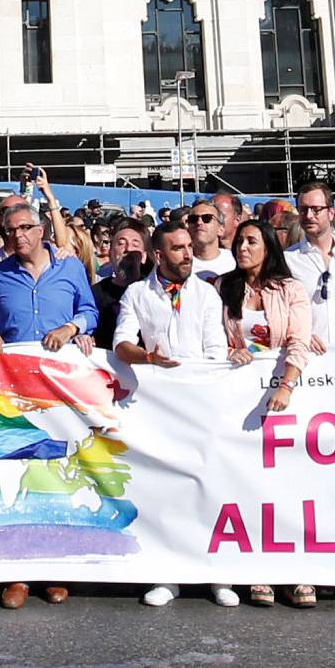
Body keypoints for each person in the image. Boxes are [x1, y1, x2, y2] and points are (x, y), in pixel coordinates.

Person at [0, 197, 97, 610]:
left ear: (42, 229)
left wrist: (71, 327)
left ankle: (54, 570)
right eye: (11, 231)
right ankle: (18, 574)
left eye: (26, 228)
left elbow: (90, 311)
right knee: (16, 477)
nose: (19, 236)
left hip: (60, 392)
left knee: (58, 475)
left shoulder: (70, 267)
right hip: (15, 391)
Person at [112, 218, 238, 611]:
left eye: (189, 247)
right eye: (179, 249)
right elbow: (120, 343)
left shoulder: (206, 294)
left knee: (210, 487)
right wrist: (149, 358)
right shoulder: (136, 293)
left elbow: (215, 351)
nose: (188, 254)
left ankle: (219, 574)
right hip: (159, 405)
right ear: (158, 254)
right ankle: (167, 574)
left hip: (201, 403)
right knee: (165, 490)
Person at [220, 219, 314, 604]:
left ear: (268, 248)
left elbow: (299, 340)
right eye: (239, 241)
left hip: (283, 398)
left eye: (251, 242)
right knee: (248, 486)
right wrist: (229, 351)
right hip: (239, 399)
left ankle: (297, 571)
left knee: (289, 488)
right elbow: (214, 338)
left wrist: (287, 383)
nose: (242, 247)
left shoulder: (291, 289)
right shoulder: (223, 287)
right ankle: (257, 566)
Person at [285, 177, 335, 354]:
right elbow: (281, 314)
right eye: (303, 209)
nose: (308, 216)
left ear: (331, 213)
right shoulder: (288, 260)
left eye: (316, 210)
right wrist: (301, 335)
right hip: (307, 358)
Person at [184, 198, 234, 278]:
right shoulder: (181, 262)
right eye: (193, 219)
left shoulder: (234, 261)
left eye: (207, 218)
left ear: (221, 229)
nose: (199, 222)